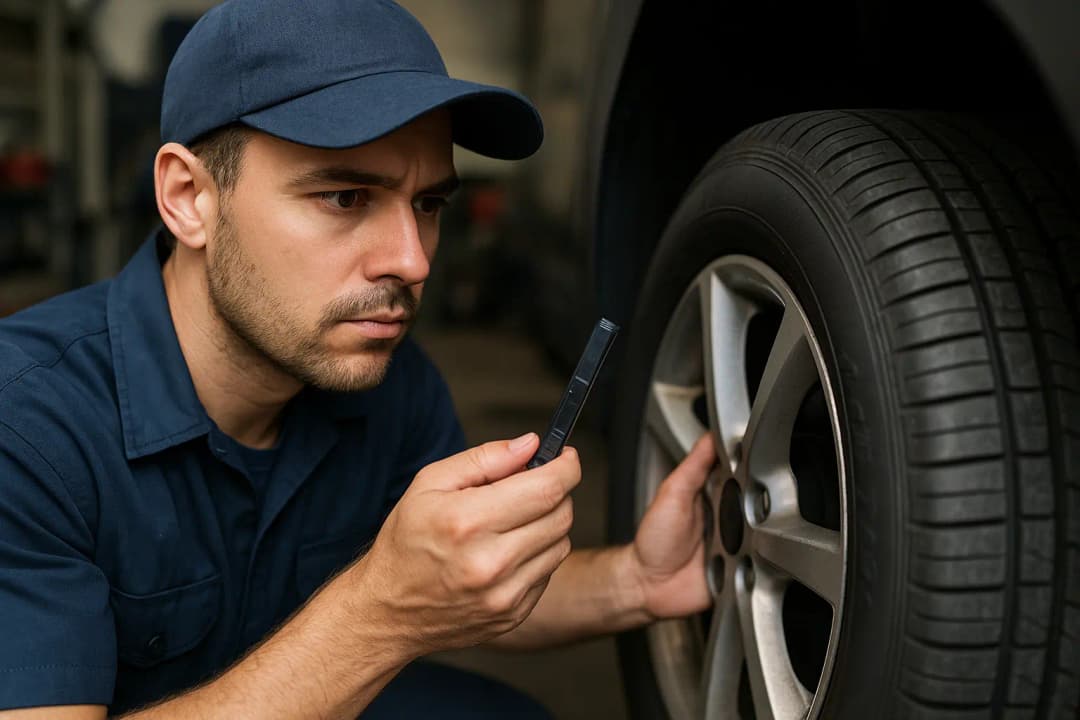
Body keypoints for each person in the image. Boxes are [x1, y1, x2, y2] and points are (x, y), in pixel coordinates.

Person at [0, 1, 716, 717]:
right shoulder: (26, 424)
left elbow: (459, 577)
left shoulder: (387, 381)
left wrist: (638, 580)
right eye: (346, 197)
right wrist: (380, 612)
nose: (411, 262)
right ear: (189, 198)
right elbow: (401, 601)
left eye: (429, 204)